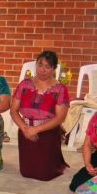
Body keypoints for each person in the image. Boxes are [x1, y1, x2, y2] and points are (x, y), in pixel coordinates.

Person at [9, 50, 70, 181]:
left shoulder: (60, 89)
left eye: (47, 67)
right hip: (25, 132)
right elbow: (13, 110)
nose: (42, 70)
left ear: (54, 69)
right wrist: (25, 128)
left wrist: (35, 129)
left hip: (47, 132)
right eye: (40, 65)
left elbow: (60, 118)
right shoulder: (24, 84)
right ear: (35, 65)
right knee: (26, 172)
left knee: (44, 175)